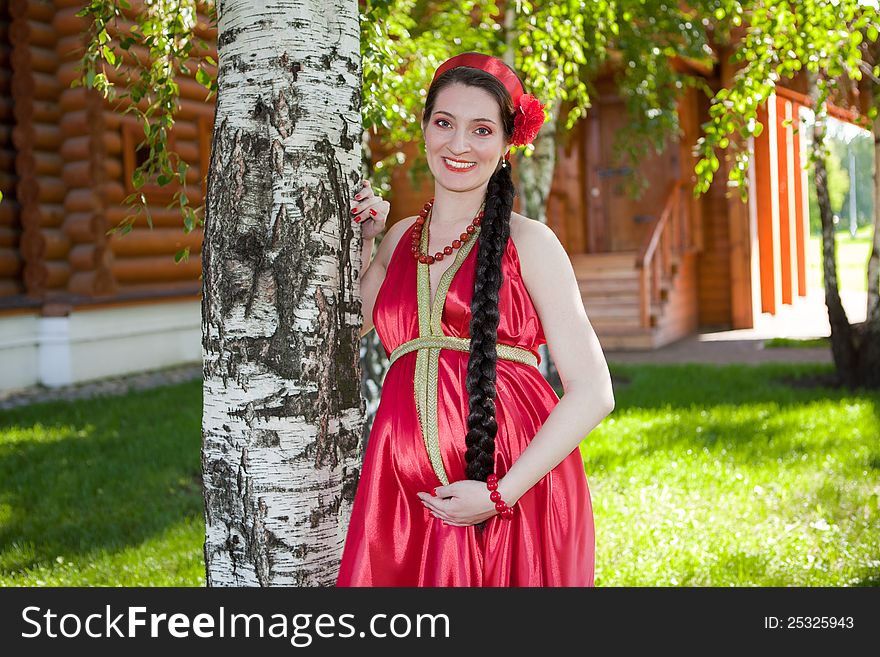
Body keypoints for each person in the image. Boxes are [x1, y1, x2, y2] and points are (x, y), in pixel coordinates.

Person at [337, 52, 615, 587]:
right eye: (445, 123)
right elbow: (348, 331)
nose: (459, 144)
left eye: (481, 129)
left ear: (508, 144)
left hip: (509, 491)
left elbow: (594, 391)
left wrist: (496, 494)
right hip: (400, 497)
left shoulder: (530, 242)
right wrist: (362, 241)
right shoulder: (397, 241)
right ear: (424, 129)